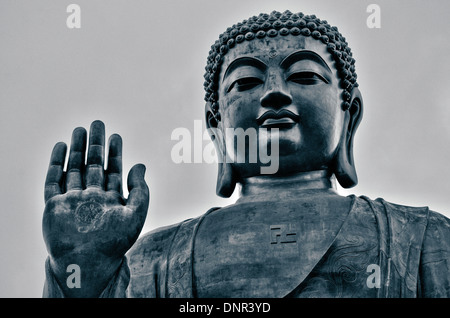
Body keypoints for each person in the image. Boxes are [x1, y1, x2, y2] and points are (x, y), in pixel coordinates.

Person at [42, 10, 450, 298]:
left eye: (304, 74)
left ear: (350, 114)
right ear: (216, 127)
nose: (274, 91)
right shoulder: (156, 259)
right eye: (246, 81)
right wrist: (82, 275)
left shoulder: (423, 240)